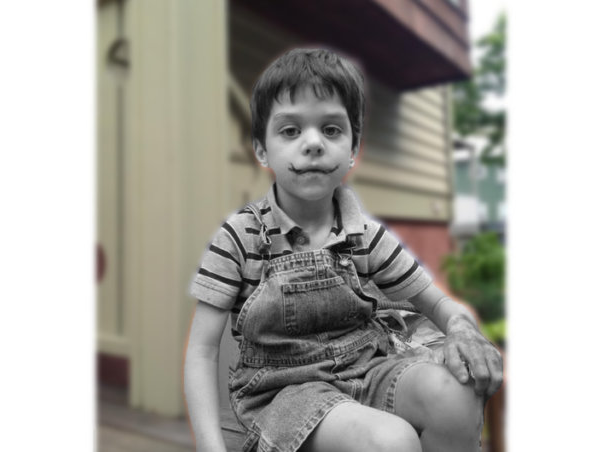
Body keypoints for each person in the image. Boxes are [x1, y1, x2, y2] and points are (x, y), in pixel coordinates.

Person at [184, 48, 502, 452]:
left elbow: (440, 305)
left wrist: (461, 330)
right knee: (393, 441)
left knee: (454, 397)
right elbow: (201, 351)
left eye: (331, 130)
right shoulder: (240, 238)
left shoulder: (364, 235)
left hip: (369, 370)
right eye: (290, 131)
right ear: (261, 150)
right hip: (285, 395)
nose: (313, 143)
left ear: (353, 149)